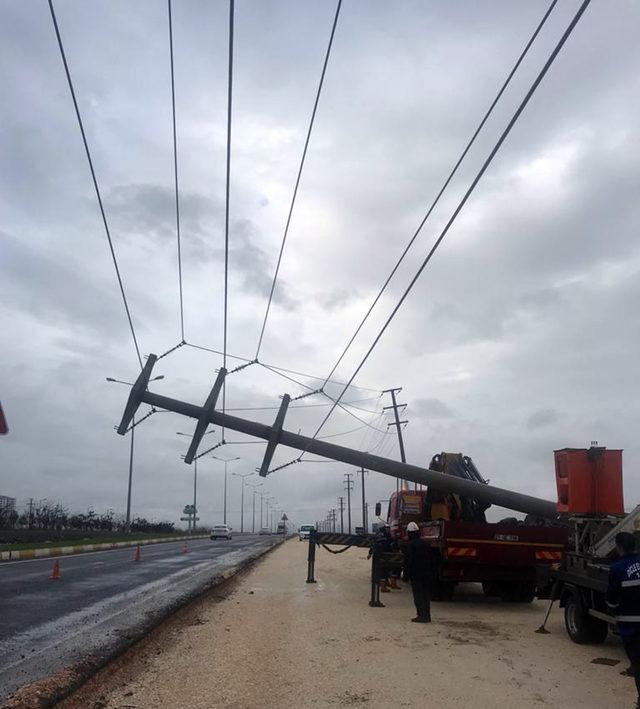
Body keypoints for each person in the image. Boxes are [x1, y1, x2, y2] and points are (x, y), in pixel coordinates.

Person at [607, 532, 640, 707]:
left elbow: (612, 600)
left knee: (637, 664)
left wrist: (612, 611)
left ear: (619, 547)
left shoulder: (617, 568)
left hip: (630, 628)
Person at [403, 521, 431, 623]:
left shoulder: (410, 545)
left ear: (409, 533)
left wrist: (405, 576)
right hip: (426, 574)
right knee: (426, 596)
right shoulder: (425, 544)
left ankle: (421, 616)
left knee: (418, 596)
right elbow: (430, 559)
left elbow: (408, 562)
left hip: (416, 575)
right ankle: (427, 616)